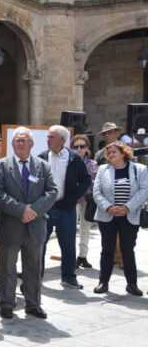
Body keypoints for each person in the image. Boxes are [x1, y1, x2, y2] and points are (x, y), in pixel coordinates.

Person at [0, 127, 58, 319]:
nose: (20, 143)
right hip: (10, 225)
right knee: (7, 268)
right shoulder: (0, 166)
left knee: (33, 268)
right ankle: (7, 304)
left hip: (35, 226)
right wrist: (21, 210)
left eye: (24, 140)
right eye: (17, 140)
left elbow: (52, 191)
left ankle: (33, 304)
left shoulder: (43, 166)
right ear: (12, 144)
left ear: (31, 144)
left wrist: (34, 210)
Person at [91, 142, 148, 295]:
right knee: (107, 249)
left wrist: (127, 207)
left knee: (127, 250)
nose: (110, 154)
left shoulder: (140, 169)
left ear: (123, 153)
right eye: (108, 152)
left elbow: (144, 191)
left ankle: (132, 284)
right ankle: (103, 282)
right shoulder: (103, 169)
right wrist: (108, 207)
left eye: (114, 151)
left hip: (129, 215)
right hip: (107, 216)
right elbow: (96, 192)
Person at [38, 125, 91, 289]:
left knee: (68, 244)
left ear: (62, 140)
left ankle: (68, 278)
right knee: (39, 243)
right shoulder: (42, 157)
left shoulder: (74, 158)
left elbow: (86, 180)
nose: (48, 139)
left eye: (51, 137)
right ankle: (36, 277)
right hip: (45, 208)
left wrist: (73, 197)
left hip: (66, 208)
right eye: (48, 136)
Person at [70, 134, 98, 269]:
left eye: (82, 146)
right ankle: (70, 256)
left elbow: (95, 183)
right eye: (76, 147)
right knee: (70, 229)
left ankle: (82, 256)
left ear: (87, 148)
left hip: (87, 200)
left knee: (85, 228)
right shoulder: (68, 162)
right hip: (71, 200)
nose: (79, 149)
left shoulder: (93, 164)